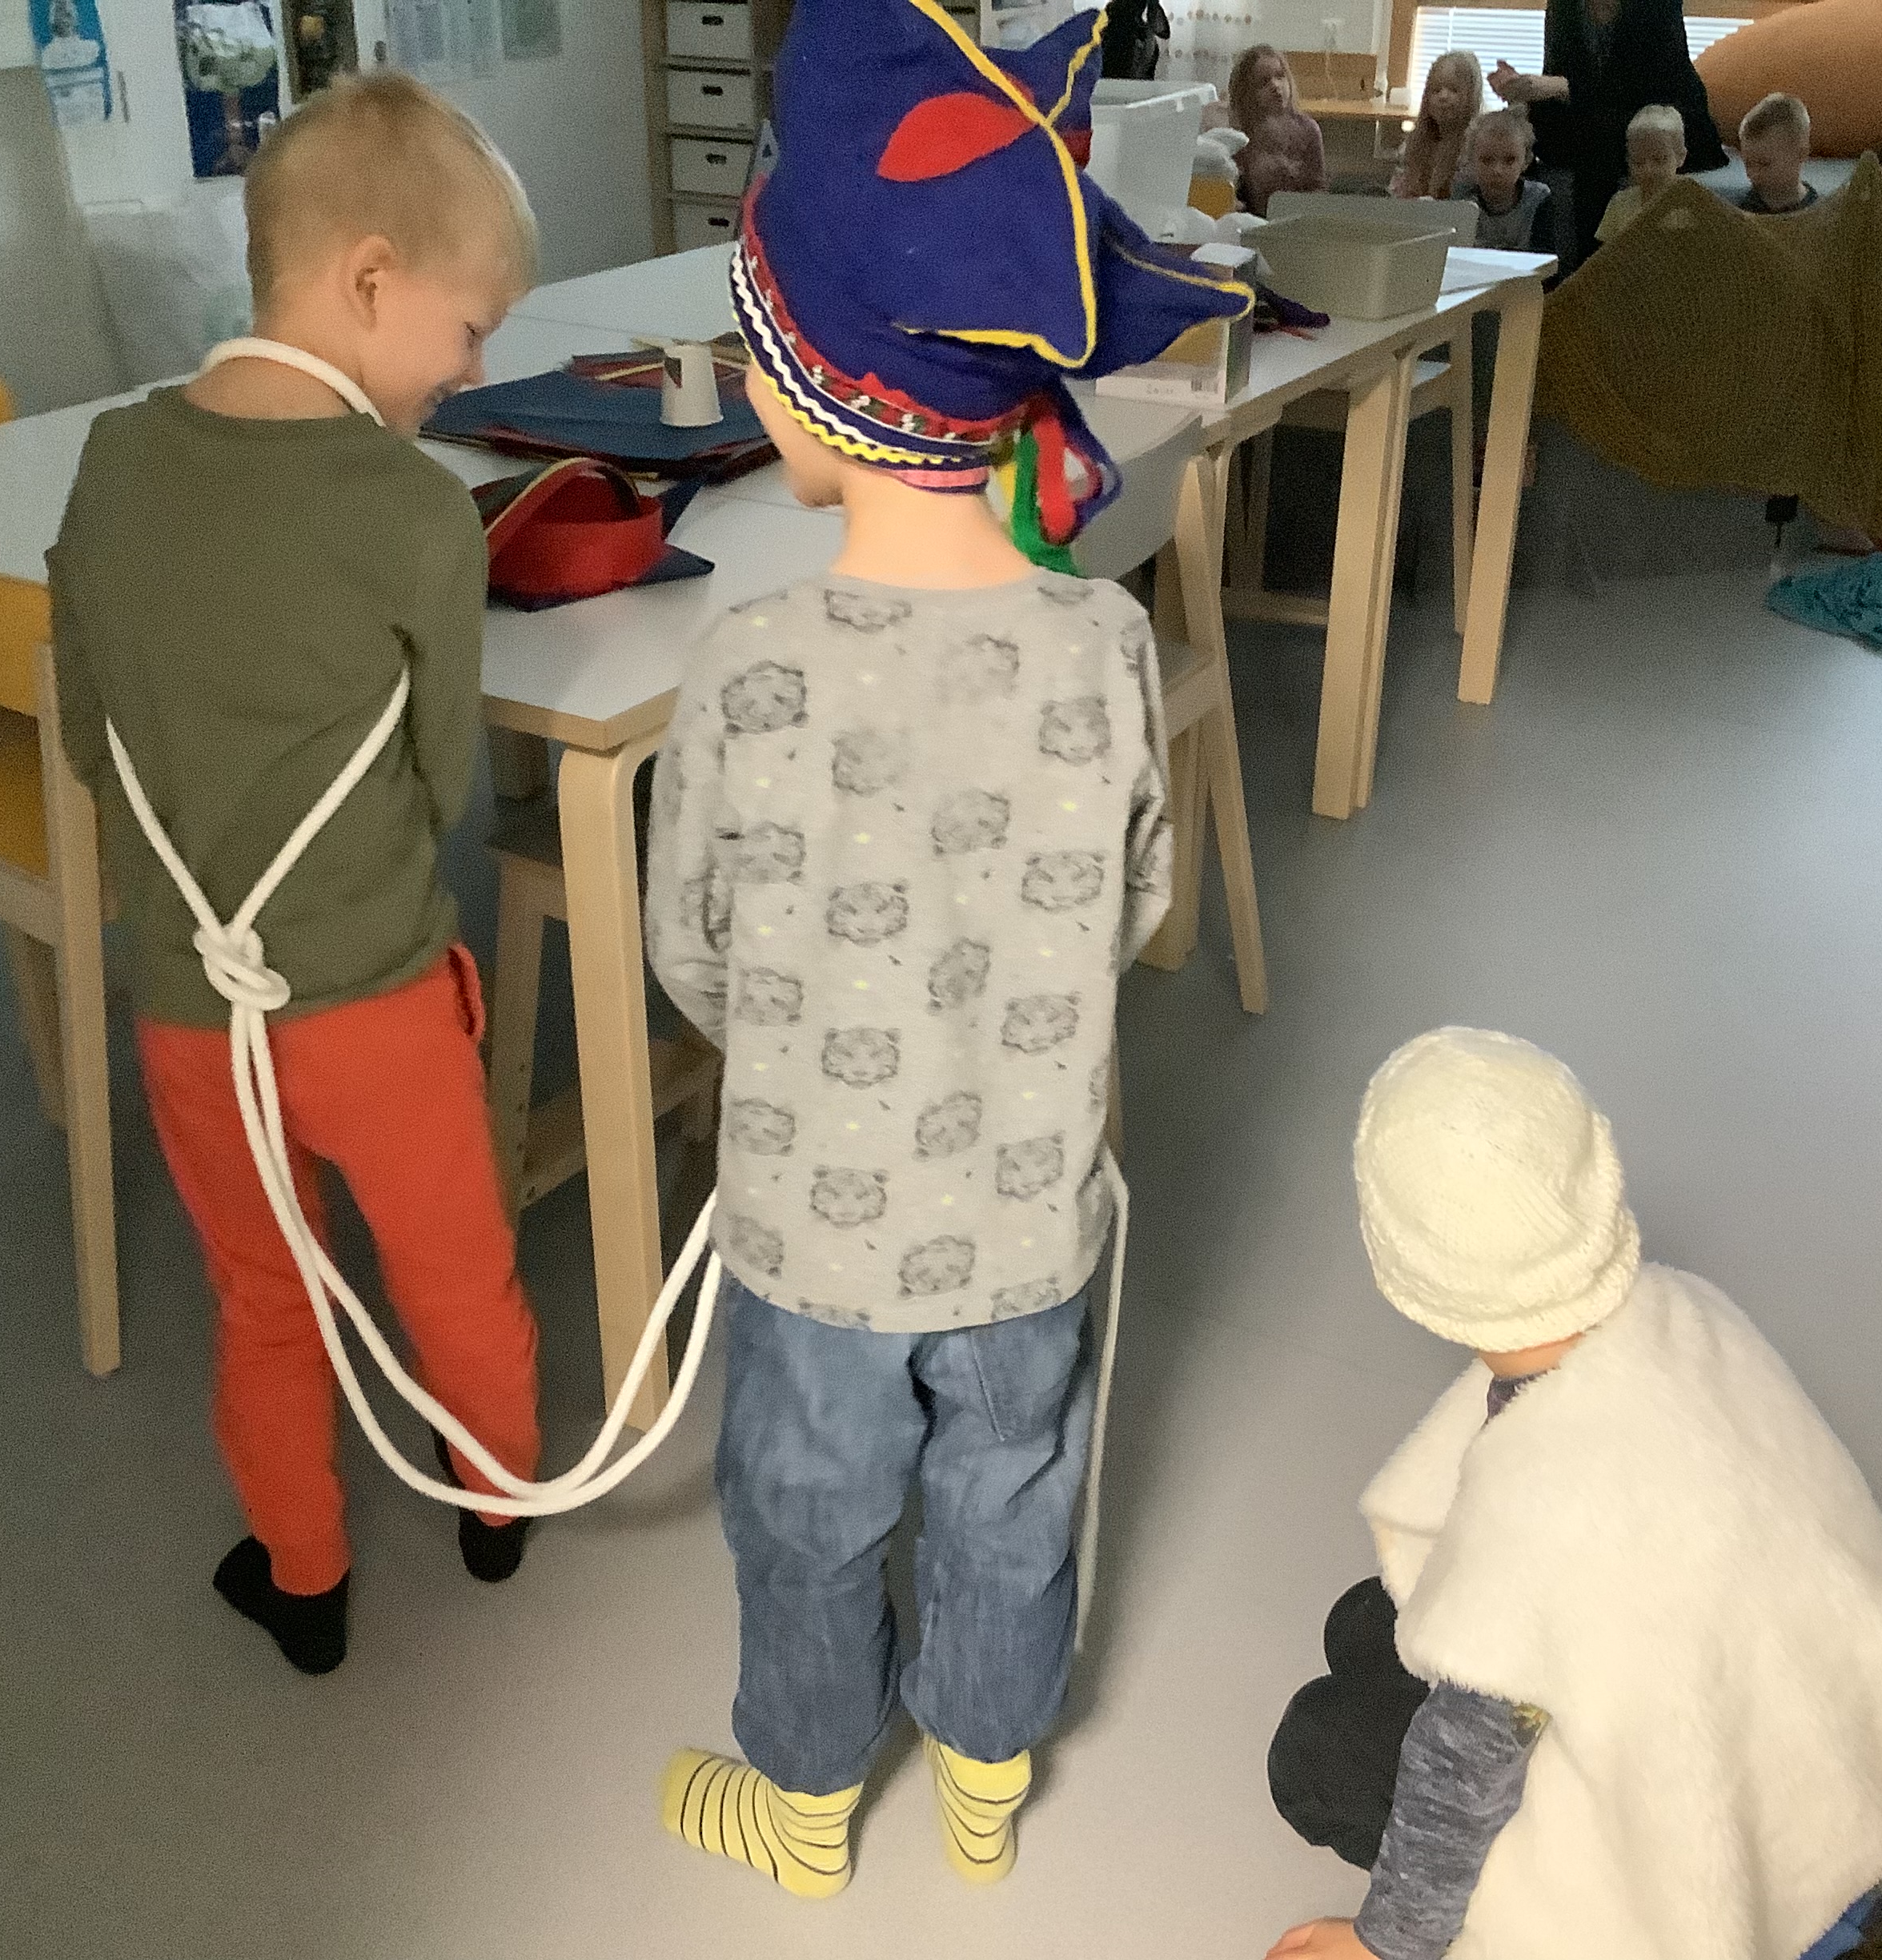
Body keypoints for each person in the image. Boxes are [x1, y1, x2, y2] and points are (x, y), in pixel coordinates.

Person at [647, 0, 1246, 1901]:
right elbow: (1137, 901)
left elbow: (694, 952)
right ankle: (989, 1773)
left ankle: (807, 1802)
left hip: (814, 1234)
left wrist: (800, 1036)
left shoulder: (746, 667)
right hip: (1026, 1221)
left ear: (812, 401)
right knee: (1009, 1494)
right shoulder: (1104, 643)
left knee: (807, 1514)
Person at [46, 74, 545, 1677]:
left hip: (193, 1014)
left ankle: (303, 1574)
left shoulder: (112, 460)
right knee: (456, 1276)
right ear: (372, 279)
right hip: (380, 1002)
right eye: (468, 329)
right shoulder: (416, 508)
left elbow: (87, 727)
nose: (474, 370)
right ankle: (496, 1503)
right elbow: (439, 774)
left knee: (263, 1294)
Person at [1262, 1028, 1882, 1960]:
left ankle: (1811, 1937)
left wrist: (1384, 1943)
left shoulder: (1546, 1514)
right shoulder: (1690, 1314)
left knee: (1317, 1753)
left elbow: (1466, 1769)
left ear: (1408, 1279)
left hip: (1668, 1813)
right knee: (1364, 1622)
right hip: (1749, 1706)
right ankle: (1816, 1901)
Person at [1490, 0, 1725, 267]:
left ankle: (1589, 268)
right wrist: (1523, 89)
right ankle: (1529, 258)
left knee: (1602, 133)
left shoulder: (1657, 5)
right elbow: (1556, 75)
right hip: (1588, 111)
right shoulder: (1562, 6)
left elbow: (1644, 86)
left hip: (1657, 112)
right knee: (1534, 123)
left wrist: (1564, 87)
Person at [1230, 42, 1329, 212]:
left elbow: (1319, 189)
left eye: (1280, 76)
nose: (1275, 86)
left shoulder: (1309, 129)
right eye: (1263, 82)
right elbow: (1234, 195)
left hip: (1298, 217)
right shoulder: (1240, 136)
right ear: (1247, 93)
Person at [1459, 108, 1555, 254]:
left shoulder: (1539, 200)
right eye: (1487, 160)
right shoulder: (1463, 201)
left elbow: (1546, 258)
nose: (1497, 170)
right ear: (1471, 160)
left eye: (1510, 160)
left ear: (1526, 161)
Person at [1392, 50, 1482, 202]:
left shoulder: (1474, 148)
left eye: (1454, 90)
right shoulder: (1412, 144)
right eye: (1436, 90)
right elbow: (1397, 195)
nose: (1443, 96)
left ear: (1472, 96)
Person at [1595, 102, 1684, 245]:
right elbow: (1607, 253)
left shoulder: (1693, 202)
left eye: (1659, 160)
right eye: (1638, 162)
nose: (1648, 170)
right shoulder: (1619, 205)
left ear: (1680, 156)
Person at [1736, 91, 1819, 215]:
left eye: (1764, 164)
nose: (1752, 174)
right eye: (1748, 164)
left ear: (1801, 154)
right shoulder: (1744, 209)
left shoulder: (1817, 209)